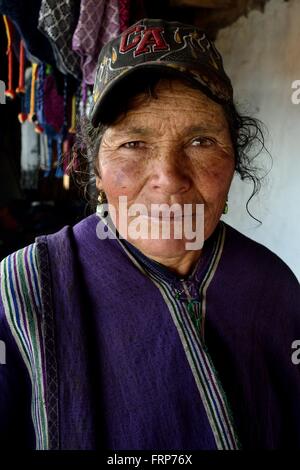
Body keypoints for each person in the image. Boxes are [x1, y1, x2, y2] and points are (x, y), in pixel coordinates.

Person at [1, 18, 300, 451]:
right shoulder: (24, 292)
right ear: (96, 170)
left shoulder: (274, 288)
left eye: (200, 141)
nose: (169, 178)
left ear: (234, 159)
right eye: (133, 144)